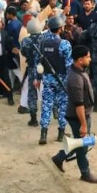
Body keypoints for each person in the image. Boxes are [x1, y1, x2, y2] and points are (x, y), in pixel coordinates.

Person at [50, 45, 97, 184]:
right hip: (78, 117)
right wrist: (83, 124)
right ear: (80, 59)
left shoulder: (79, 71)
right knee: (82, 146)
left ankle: (59, 158)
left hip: (81, 115)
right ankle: (85, 172)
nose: (90, 59)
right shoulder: (76, 78)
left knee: (79, 142)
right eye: (88, 57)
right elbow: (79, 105)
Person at [36, 16, 72, 145]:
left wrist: (37, 78)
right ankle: (61, 133)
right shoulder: (64, 44)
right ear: (60, 28)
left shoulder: (42, 43)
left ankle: (43, 133)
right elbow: (69, 65)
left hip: (47, 79)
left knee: (46, 105)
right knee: (63, 106)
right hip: (62, 80)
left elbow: (38, 63)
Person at [20, 19, 44, 126]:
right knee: (47, 92)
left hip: (32, 69)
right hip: (45, 69)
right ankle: (53, 111)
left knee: (32, 94)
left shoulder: (25, 41)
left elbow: (23, 53)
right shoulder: (45, 39)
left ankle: (33, 119)